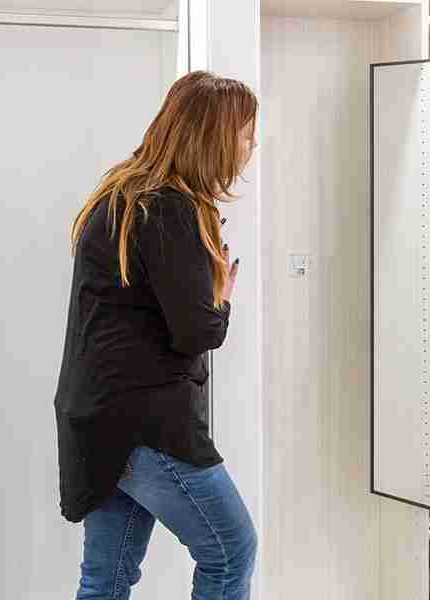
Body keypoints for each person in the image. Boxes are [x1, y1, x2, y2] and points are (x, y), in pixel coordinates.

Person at [54, 71, 259, 600]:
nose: (250, 146)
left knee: (106, 578)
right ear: (212, 137)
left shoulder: (122, 195)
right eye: (244, 134)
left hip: (98, 420)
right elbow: (197, 331)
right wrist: (222, 298)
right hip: (145, 424)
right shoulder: (171, 207)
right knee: (231, 551)